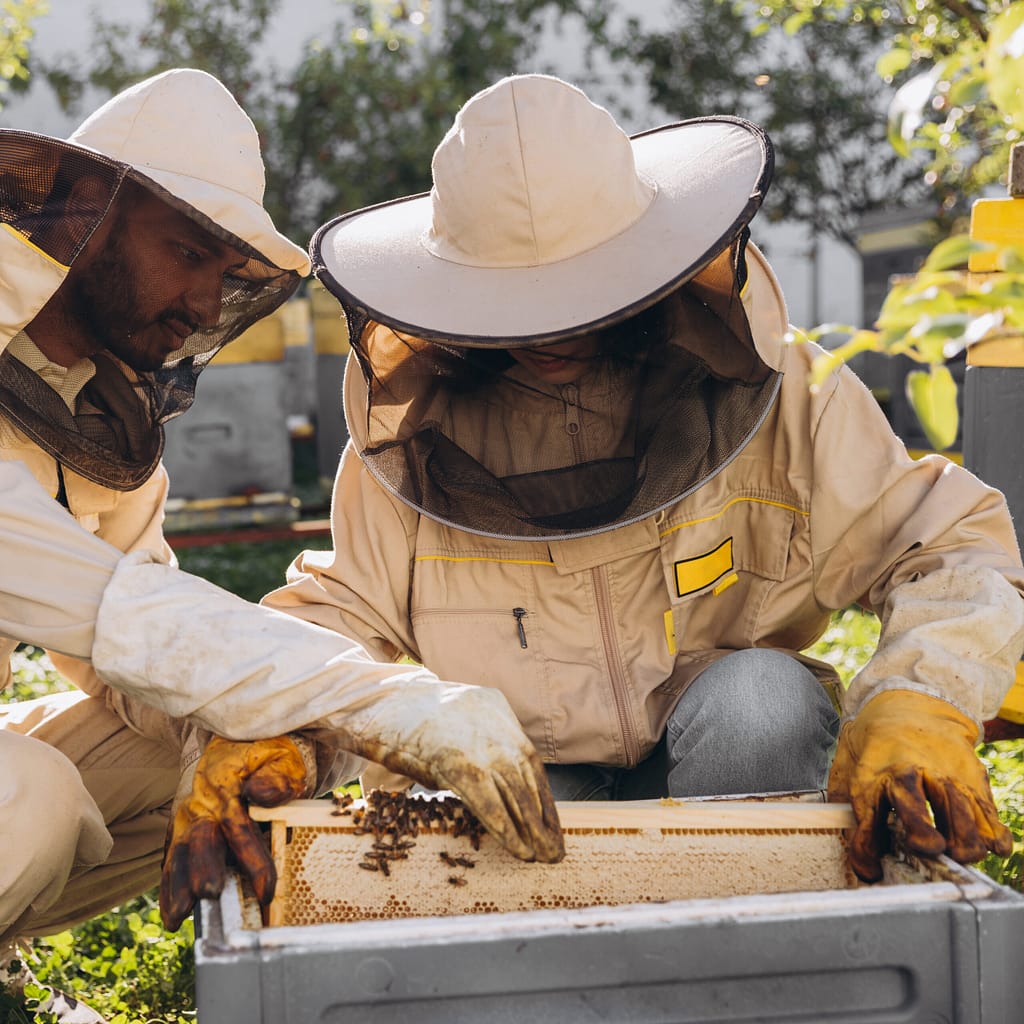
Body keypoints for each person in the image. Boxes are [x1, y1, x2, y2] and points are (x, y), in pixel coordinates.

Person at [264, 73, 1024, 885]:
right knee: (477, 797)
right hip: (525, 778)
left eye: (578, 289)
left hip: (726, 758)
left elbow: (944, 542)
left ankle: (749, 935)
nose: (550, 328)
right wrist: (280, 733)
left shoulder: (793, 393)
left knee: (763, 699)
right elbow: (341, 619)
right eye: (513, 299)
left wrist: (920, 696)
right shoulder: (409, 440)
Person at [0, 68, 562, 1016]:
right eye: (187, 252)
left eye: (223, 274)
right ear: (88, 212)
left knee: (227, 741)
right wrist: (389, 702)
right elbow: (112, 609)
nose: (201, 301)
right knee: (32, 794)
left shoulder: (89, 413)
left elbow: (140, 661)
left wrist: (245, 747)